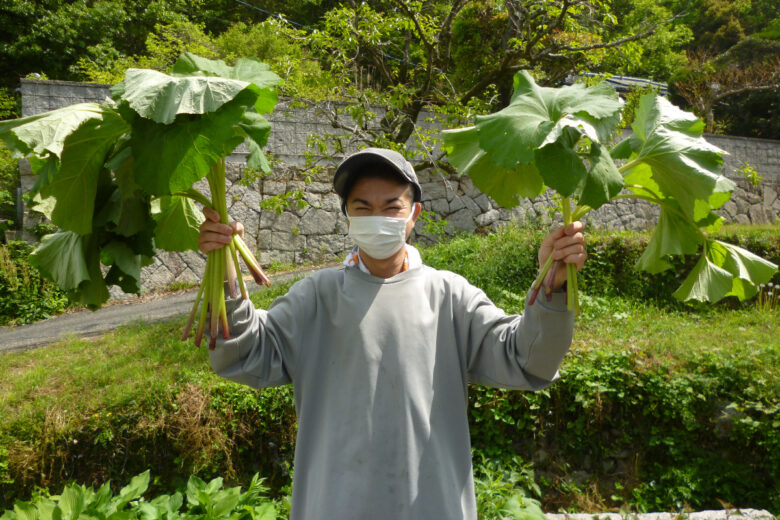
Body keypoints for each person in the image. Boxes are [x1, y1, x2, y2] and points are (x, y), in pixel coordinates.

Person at [198, 148, 587, 520]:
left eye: (391, 207)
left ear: (414, 213)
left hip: (433, 506)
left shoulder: (450, 296)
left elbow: (528, 359)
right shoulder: (316, 297)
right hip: (334, 505)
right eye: (362, 207)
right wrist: (225, 265)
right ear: (347, 218)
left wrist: (552, 287)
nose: (377, 217)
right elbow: (243, 354)